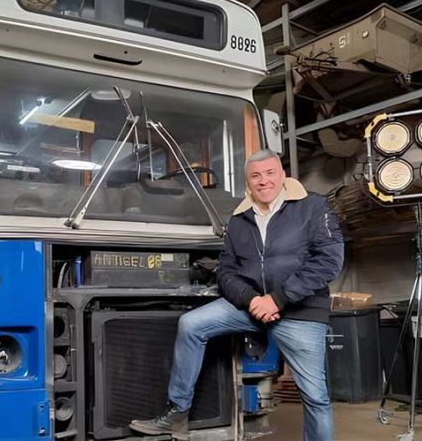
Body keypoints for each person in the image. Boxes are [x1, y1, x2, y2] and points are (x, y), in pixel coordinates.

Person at [130, 149, 344, 441]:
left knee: (316, 398)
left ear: (282, 175)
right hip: (251, 307)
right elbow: (226, 272)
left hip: (300, 310)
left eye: (270, 173)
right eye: (256, 176)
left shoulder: (313, 206)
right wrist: (253, 300)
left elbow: (329, 260)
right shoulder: (239, 219)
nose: (264, 181)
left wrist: (278, 299)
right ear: (248, 182)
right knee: (191, 325)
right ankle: (177, 413)